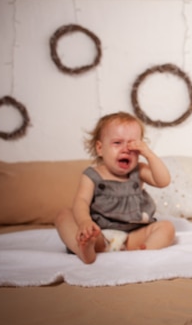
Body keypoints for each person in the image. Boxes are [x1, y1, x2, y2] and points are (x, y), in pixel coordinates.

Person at [55, 111, 176, 264]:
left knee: (166, 227)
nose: (126, 149)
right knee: (64, 215)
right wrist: (85, 222)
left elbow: (163, 181)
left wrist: (149, 154)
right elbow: (82, 201)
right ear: (100, 148)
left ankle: (145, 251)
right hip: (98, 235)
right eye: (117, 143)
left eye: (133, 144)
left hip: (132, 237)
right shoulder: (92, 175)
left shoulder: (139, 170)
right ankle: (84, 249)